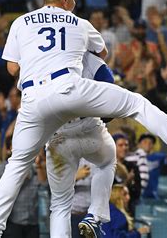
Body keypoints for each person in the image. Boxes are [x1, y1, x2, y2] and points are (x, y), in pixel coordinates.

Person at [0, 0, 167, 237]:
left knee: (18, 164)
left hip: (33, 99)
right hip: (69, 89)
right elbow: (101, 56)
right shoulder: (79, 22)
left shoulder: (21, 22)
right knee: (136, 103)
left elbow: (12, 68)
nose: (75, 3)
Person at [45, 52, 117, 238]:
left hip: (58, 134)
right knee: (107, 162)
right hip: (89, 130)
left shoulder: (45, 60)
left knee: (59, 205)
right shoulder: (95, 63)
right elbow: (109, 111)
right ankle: (94, 215)